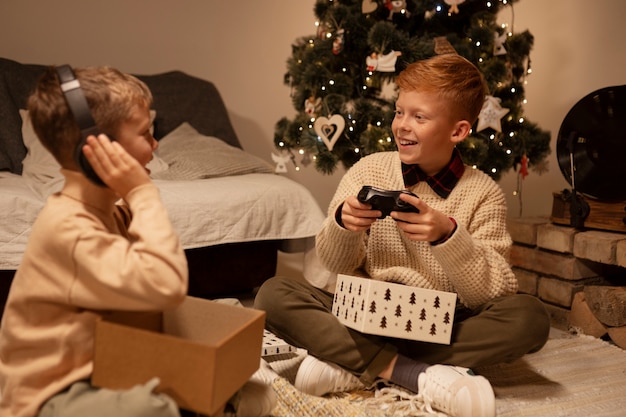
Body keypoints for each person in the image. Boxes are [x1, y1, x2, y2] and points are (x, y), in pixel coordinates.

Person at [254, 53, 551, 417]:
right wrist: (343, 225)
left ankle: (359, 365)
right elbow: (334, 263)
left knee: (530, 317)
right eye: (399, 112)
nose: (401, 126)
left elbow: (493, 291)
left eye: (419, 117)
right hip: (367, 314)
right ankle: (412, 373)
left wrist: (448, 236)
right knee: (273, 293)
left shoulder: (484, 192)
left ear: (457, 131)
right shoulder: (370, 169)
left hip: (442, 322)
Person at [0, 66, 189, 417]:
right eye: (146, 134)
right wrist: (141, 192)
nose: (155, 144)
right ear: (95, 152)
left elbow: (159, 282)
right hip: (50, 396)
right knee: (150, 409)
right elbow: (167, 283)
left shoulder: (113, 214)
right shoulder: (67, 230)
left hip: (102, 367)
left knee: (223, 327)